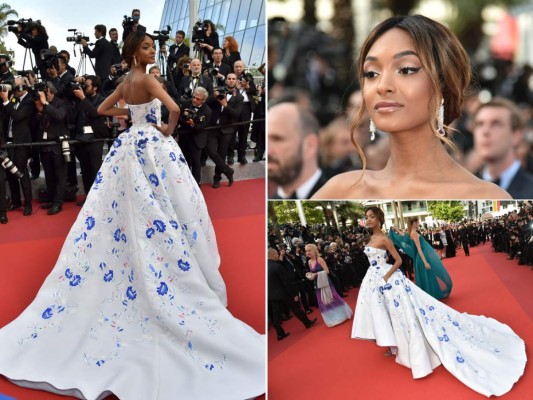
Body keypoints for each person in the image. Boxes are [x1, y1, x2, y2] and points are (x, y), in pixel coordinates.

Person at [0, 32, 264, 400]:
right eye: (145, 47)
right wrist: (165, 128)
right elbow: (174, 108)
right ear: (132, 51)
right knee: (165, 208)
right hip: (153, 146)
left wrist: (132, 115)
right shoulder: (148, 79)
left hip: (127, 148)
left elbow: (102, 109)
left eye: (152, 47)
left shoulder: (126, 81)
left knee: (124, 211)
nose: (151, 51)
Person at [312, 15, 510, 199]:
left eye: (406, 70)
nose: (382, 86)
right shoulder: (340, 191)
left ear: (442, 84)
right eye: (371, 73)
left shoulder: (486, 197)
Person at [352, 206, 526, 397]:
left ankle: (404, 344)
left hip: (388, 280)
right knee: (387, 312)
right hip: (373, 280)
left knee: (403, 312)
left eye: (371, 217)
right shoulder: (370, 239)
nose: (367, 220)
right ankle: (393, 344)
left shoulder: (384, 238)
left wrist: (386, 277)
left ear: (378, 219)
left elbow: (398, 261)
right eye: (366, 217)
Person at [471, 97, 533, 199]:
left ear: (516, 135)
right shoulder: (465, 190)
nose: (485, 131)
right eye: (479, 124)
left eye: (496, 124)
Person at [268, 102, 328, 199]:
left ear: (310, 145)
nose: (268, 152)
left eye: (277, 139)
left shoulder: (340, 195)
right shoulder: (271, 201)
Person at [389, 217, 452, 300]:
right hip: (422, 257)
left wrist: (397, 230)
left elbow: (403, 236)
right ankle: (430, 297)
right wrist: (425, 262)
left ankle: (429, 296)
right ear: (414, 223)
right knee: (427, 276)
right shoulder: (414, 233)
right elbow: (419, 249)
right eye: (418, 222)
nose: (419, 224)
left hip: (420, 258)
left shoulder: (410, 232)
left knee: (427, 276)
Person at [268, 248, 317, 341]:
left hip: (273, 296)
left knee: (276, 316)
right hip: (285, 294)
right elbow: (286, 282)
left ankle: (280, 334)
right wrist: (294, 294)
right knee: (297, 309)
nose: (278, 255)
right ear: (273, 255)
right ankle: (307, 323)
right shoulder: (277, 266)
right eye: (277, 254)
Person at [304, 243, 352, 327]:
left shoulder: (320, 259)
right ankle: (332, 319)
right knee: (323, 301)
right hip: (318, 284)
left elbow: (327, 271)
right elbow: (313, 272)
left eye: (309, 250)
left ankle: (342, 315)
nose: (307, 252)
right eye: (306, 251)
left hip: (326, 282)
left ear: (314, 250)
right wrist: (310, 275)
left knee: (333, 298)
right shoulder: (309, 262)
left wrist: (316, 274)